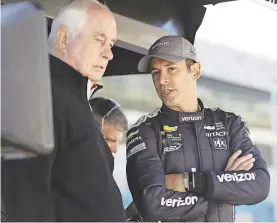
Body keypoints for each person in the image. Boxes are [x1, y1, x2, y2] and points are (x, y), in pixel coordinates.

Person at [1, 0, 126, 221]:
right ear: (64, 38)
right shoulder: (41, 96)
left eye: (111, 44)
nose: (110, 54)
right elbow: (23, 197)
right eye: (100, 39)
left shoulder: (73, 99)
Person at [125, 35, 270, 222]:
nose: (162, 80)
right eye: (156, 72)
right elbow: (152, 203)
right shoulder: (144, 131)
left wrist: (189, 182)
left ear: (195, 71)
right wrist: (223, 188)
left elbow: (260, 184)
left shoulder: (229, 124)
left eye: (171, 69)